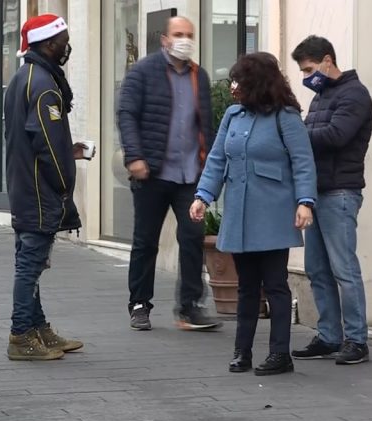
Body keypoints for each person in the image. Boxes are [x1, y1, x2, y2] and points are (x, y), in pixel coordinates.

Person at [190, 52, 317, 376]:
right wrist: (203, 196)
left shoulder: (285, 117)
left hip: (273, 214)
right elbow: (217, 159)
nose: (234, 87)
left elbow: (303, 162)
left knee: (275, 285)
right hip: (240, 214)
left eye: (240, 80)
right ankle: (241, 352)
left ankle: (279, 355)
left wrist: (305, 202)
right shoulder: (234, 116)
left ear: (257, 83)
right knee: (246, 285)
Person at [117, 16, 217, 331]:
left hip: (190, 174)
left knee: (192, 237)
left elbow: (206, 124)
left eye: (189, 34)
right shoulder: (143, 72)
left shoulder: (199, 76)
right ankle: (139, 304)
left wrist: (210, 167)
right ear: (165, 39)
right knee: (146, 240)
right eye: (178, 34)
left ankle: (189, 307)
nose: (184, 39)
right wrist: (135, 156)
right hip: (152, 172)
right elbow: (127, 114)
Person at [3, 14, 88, 361]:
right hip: (38, 190)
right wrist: (64, 183)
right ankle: (21, 335)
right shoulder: (43, 84)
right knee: (30, 264)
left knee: (31, 261)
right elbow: (47, 144)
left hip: (26, 184)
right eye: (64, 39)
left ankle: (37, 328)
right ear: (49, 43)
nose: (67, 46)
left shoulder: (26, 77)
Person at [290, 36, 372, 365]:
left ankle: (357, 340)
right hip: (317, 192)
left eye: (309, 69)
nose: (306, 76)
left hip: (340, 191)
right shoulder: (322, 95)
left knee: (343, 269)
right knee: (317, 269)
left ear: (328, 60)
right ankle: (329, 336)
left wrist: (295, 133)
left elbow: (337, 136)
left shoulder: (354, 94)